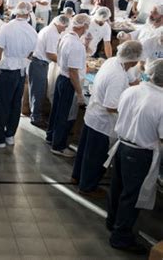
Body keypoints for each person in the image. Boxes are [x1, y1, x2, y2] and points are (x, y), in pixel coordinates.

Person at [105, 59, 163, 254]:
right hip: (140, 153)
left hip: (122, 146)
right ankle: (121, 237)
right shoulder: (161, 102)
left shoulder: (132, 91)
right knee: (131, 196)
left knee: (117, 187)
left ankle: (112, 222)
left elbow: (121, 112)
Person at [72, 40, 143, 198]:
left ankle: (77, 177)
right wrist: (131, 110)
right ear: (134, 59)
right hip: (102, 122)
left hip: (92, 117)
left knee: (85, 152)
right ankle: (87, 187)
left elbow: (132, 79)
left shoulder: (114, 62)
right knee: (95, 157)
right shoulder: (117, 76)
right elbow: (111, 106)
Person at [0, 2, 37, 148]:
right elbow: (32, 54)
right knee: (15, 105)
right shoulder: (32, 31)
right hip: (21, 72)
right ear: (28, 13)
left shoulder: (7, 28)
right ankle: (10, 136)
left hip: (6, 71)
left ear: (15, 12)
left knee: (0, 105)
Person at [46, 14, 89, 158]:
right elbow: (73, 72)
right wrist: (79, 93)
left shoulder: (65, 37)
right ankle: (58, 145)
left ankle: (51, 136)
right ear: (83, 26)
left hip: (61, 77)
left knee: (57, 111)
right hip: (69, 82)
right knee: (64, 115)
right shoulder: (76, 45)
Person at [28, 15, 70, 128]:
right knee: (39, 91)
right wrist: (65, 63)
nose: (64, 29)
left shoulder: (49, 29)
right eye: (64, 27)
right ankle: (35, 117)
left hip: (38, 63)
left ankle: (35, 114)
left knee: (37, 90)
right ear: (60, 24)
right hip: (39, 63)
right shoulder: (53, 33)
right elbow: (50, 54)